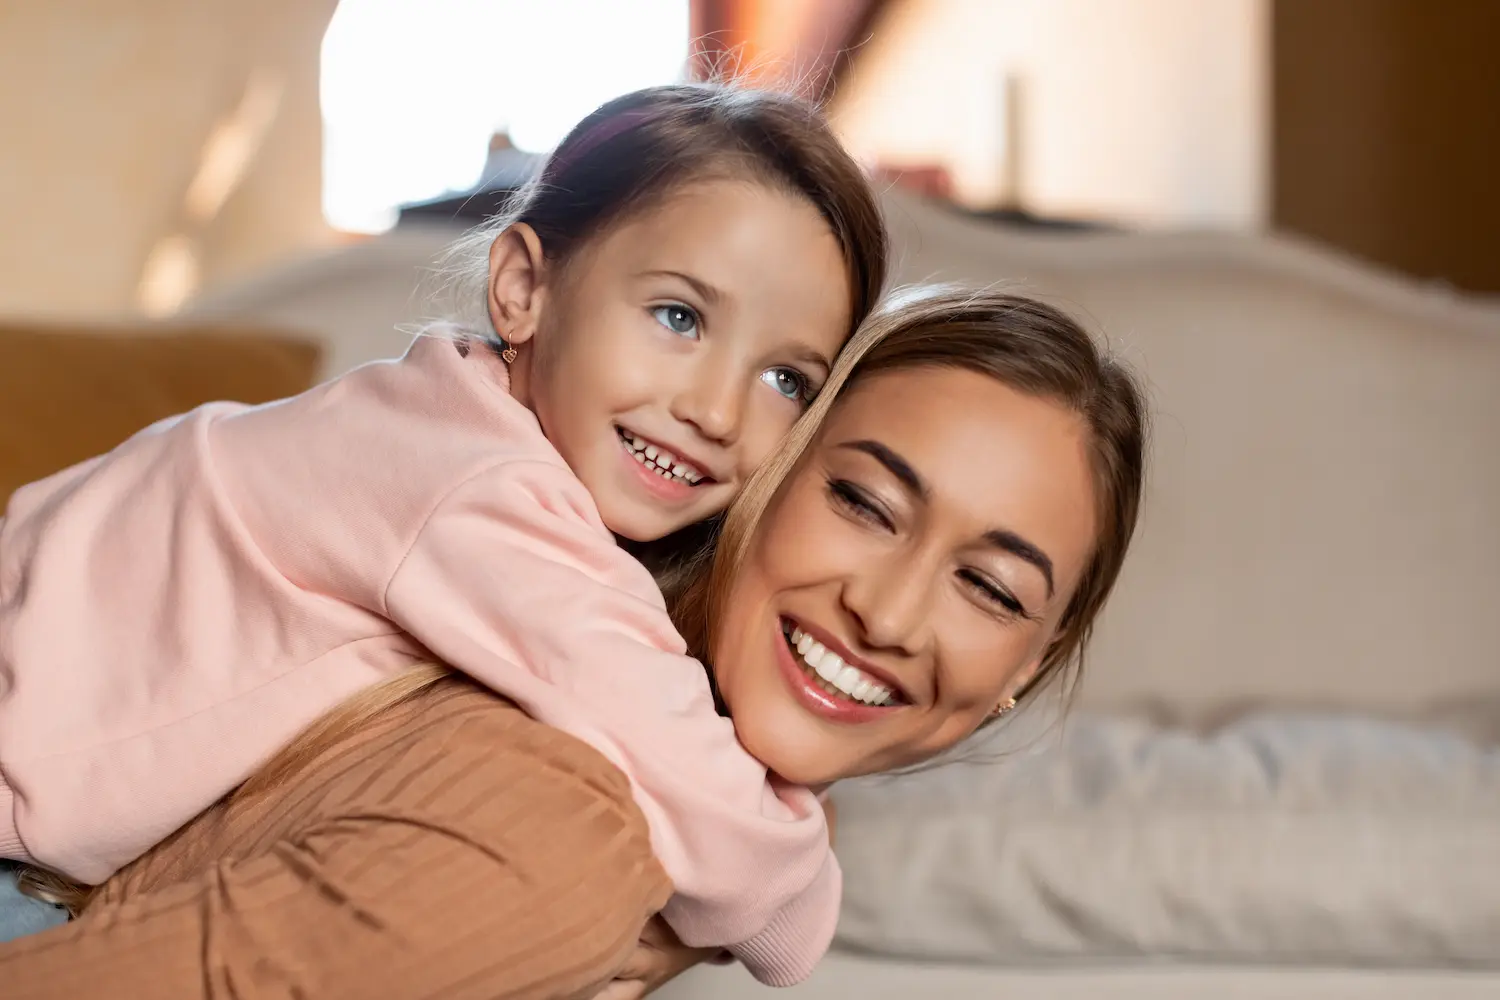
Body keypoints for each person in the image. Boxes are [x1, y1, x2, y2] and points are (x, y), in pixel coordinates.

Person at [0, 286, 1148, 998]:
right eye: (864, 503)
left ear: (1025, 673)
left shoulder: (656, 803)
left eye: (991, 589)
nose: (889, 617)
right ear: (763, 469)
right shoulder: (572, 817)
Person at [0, 81, 887, 984]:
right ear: (523, 289)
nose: (717, 410)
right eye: (679, 318)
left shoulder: (438, 415)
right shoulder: (479, 485)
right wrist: (796, 903)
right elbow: (677, 769)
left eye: (787, 380)